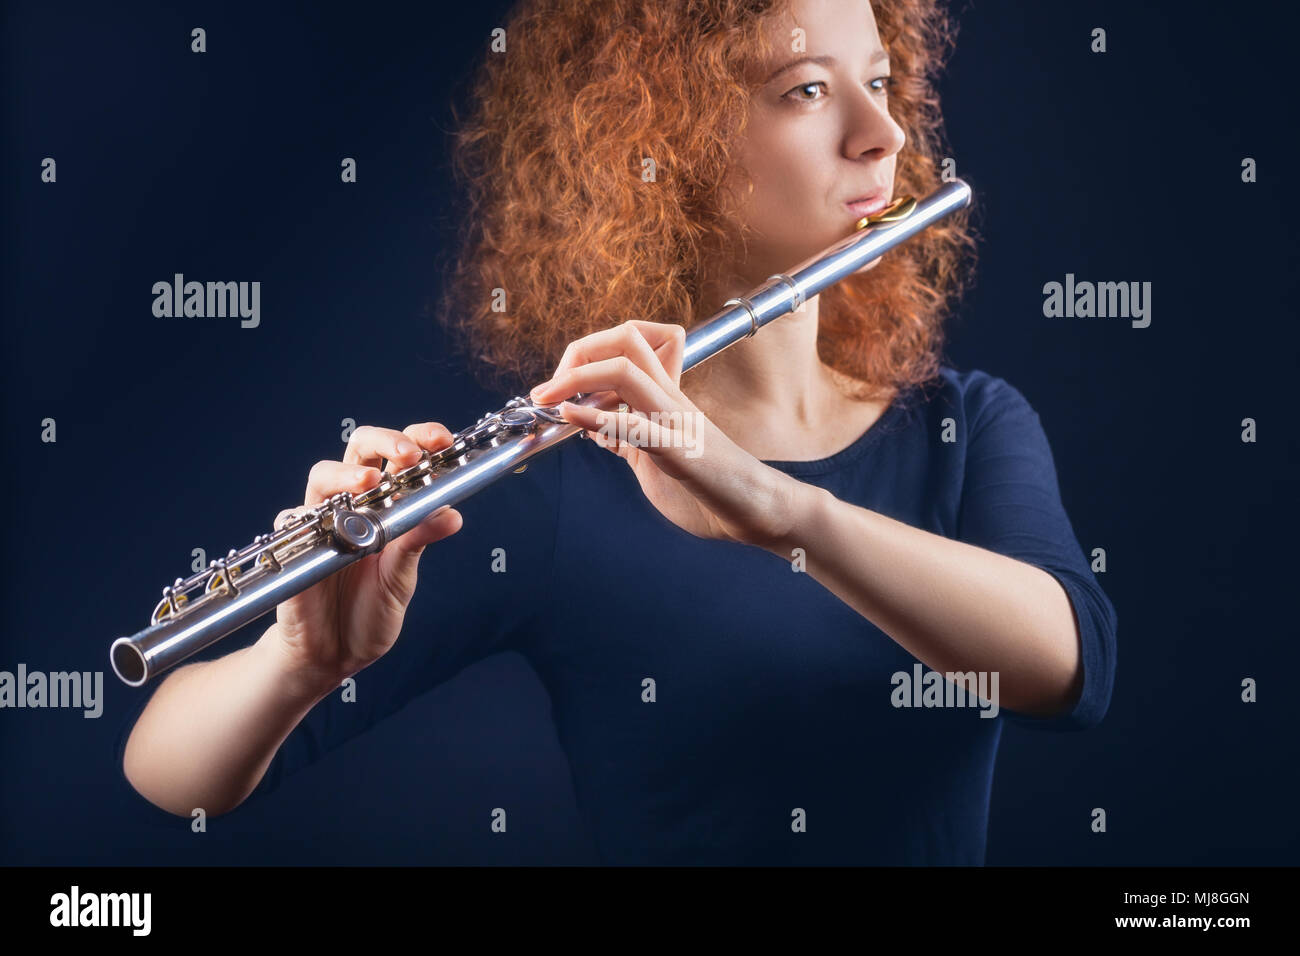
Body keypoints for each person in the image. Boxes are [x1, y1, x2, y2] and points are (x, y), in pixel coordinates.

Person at [116, 0, 1116, 864]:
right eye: (807, 89)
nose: (880, 135)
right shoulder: (562, 473)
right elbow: (171, 772)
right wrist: (300, 664)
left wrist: (774, 506)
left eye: (880, 79)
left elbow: (1066, 667)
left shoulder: (963, 423)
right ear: (669, 136)